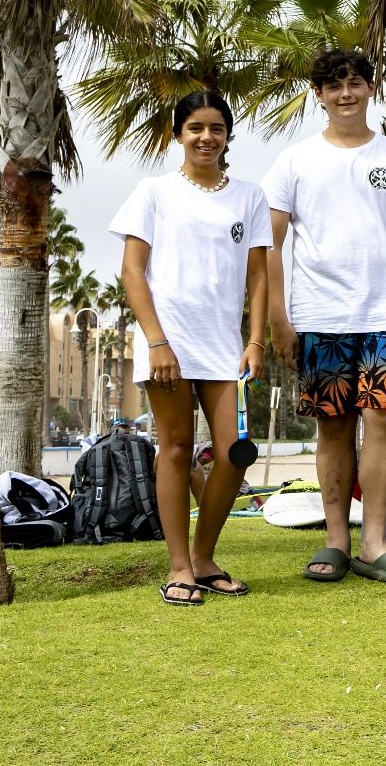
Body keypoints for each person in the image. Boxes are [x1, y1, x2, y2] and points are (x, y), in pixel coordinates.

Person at [264, 49, 386, 586]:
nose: (345, 94)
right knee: (333, 425)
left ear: (370, 88)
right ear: (318, 94)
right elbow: (269, 244)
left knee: (384, 419)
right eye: (334, 86)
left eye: (355, 83)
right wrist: (278, 319)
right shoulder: (294, 161)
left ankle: (374, 542)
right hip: (319, 317)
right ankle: (337, 540)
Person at [112, 90, 271, 605]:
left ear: (228, 136)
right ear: (178, 134)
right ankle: (179, 567)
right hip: (168, 342)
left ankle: (204, 558)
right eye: (196, 128)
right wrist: (157, 341)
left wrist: (254, 341)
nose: (206, 138)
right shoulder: (154, 192)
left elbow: (258, 275)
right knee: (177, 448)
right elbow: (132, 270)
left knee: (234, 453)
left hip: (224, 346)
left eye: (216, 129)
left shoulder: (249, 196)